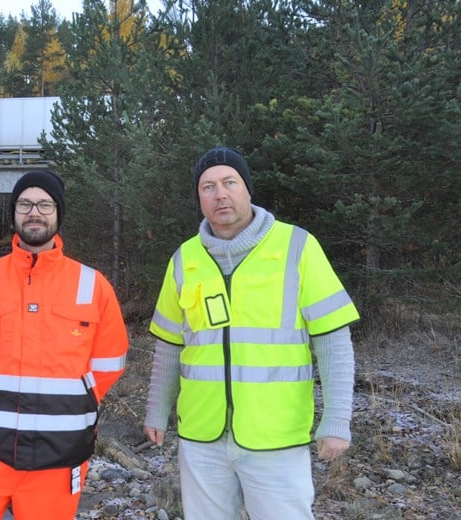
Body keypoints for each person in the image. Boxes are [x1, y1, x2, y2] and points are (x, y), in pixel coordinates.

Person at [142, 147, 360, 520]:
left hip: (275, 437)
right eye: (208, 187)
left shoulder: (296, 247)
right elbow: (169, 346)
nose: (219, 194)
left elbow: (333, 338)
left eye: (229, 183)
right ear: (199, 198)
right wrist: (156, 411)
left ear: (247, 190)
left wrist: (337, 419)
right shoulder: (184, 259)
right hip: (201, 438)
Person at [0, 170, 129, 519]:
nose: (34, 212)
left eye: (44, 204)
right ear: (13, 213)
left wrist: (74, 405)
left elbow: (109, 365)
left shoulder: (93, 286)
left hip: (59, 457)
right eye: (25, 204)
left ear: (58, 213)